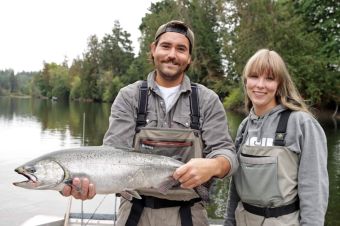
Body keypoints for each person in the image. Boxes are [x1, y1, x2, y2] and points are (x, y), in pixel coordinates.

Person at [61, 20, 238, 226]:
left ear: (189, 58)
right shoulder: (129, 96)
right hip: (135, 214)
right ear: (153, 50)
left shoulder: (208, 100)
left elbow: (228, 154)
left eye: (181, 49)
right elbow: (112, 152)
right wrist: (92, 185)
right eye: (165, 46)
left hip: (190, 215)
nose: (172, 54)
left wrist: (214, 165)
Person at [223, 49, 329, 226]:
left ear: (279, 84)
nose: (260, 85)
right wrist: (228, 222)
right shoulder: (244, 126)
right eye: (254, 76)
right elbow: (235, 187)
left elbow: (314, 189)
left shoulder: (301, 123)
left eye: (270, 78)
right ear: (246, 81)